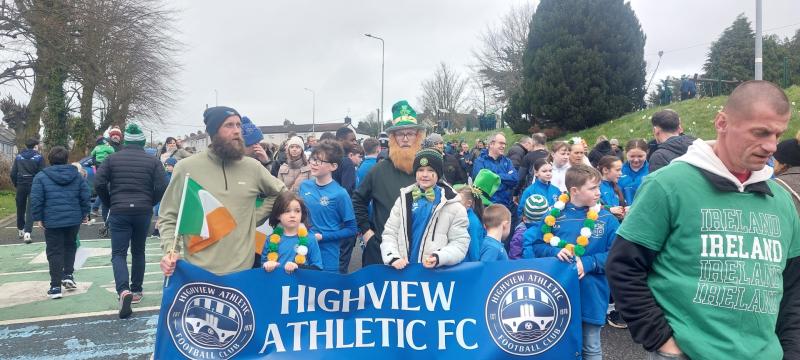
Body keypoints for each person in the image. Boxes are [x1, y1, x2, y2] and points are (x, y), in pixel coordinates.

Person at [606, 81, 800, 359]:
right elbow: (623, 266)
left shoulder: (780, 199)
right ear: (722, 123)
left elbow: (793, 288)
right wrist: (662, 341)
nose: (772, 146)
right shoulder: (667, 185)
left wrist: (791, 352)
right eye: (761, 132)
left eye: (778, 134)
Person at [158, 106, 287, 277]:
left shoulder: (252, 167)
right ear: (213, 132)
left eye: (238, 125)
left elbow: (281, 193)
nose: (237, 131)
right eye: (229, 125)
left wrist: (254, 217)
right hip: (198, 273)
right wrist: (170, 250)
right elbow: (169, 216)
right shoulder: (186, 168)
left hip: (242, 272)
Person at [524, 164, 620, 360]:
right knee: (560, 346)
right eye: (592, 188)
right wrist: (554, 251)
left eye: (598, 187)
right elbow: (537, 245)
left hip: (591, 294)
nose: (598, 192)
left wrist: (589, 263)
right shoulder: (553, 215)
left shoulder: (607, 219)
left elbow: (618, 255)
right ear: (574, 191)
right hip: (558, 296)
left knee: (591, 346)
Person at [95, 123, 168, 318]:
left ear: (125, 141)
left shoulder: (112, 158)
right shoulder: (152, 160)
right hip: (143, 210)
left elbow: (99, 183)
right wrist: (151, 201)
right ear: (142, 142)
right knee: (138, 251)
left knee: (118, 253)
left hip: (119, 209)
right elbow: (163, 185)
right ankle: (136, 290)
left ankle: (123, 290)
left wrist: (109, 202)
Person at [353, 100, 425, 267]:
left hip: (419, 252)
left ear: (417, 137)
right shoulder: (378, 170)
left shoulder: (428, 170)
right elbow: (357, 201)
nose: (405, 139)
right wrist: (366, 232)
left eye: (410, 133)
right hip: (381, 252)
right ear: (393, 138)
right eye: (400, 134)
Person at [380, 148, 469, 269]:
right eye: (420, 170)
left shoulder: (454, 206)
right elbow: (390, 233)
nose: (425, 175)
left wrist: (440, 257)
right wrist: (393, 257)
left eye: (430, 170)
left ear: (438, 173)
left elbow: (460, 243)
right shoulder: (403, 200)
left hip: (434, 274)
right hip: (404, 271)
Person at [30, 146, 91, 300]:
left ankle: (55, 286)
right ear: (66, 159)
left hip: (52, 219)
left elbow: (36, 199)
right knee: (70, 246)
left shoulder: (41, 176)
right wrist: (85, 213)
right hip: (73, 217)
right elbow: (85, 195)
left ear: (49, 159)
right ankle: (68, 274)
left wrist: (38, 217)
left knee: (54, 251)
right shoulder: (77, 176)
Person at [299, 140, 357, 273]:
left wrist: (323, 237)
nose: (314, 163)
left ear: (333, 166)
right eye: (313, 159)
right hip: (303, 251)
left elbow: (352, 229)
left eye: (319, 161)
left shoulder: (340, 194)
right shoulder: (304, 186)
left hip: (328, 255)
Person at [261, 192, 322, 273]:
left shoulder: (310, 239)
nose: (292, 215)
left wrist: (298, 267)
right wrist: (267, 266)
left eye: (297, 211)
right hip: (276, 281)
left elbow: (318, 268)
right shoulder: (270, 239)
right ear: (278, 215)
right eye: (287, 211)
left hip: (300, 281)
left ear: (302, 214)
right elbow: (262, 267)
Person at [456, 169, 500, 262]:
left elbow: (474, 251)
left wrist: (475, 264)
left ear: (469, 203)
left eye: (458, 202)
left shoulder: (472, 222)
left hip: (468, 264)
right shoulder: (468, 216)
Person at [471, 133, 519, 211]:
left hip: (506, 205)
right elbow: (481, 185)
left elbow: (515, 179)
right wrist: (506, 179)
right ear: (491, 144)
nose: (504, 146)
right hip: (488, 207)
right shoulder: (480, 161)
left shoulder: (507, 161)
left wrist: (495, 177)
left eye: (505, 144)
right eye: (501, 143)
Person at [11, 138, 44, 243]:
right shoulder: (39, 157)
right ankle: (27, 233)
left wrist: (16, 184)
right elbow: (42, 173)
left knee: (20, 207)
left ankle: (20, 229)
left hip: (21, 184)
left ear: (26, 146)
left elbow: (13, 173)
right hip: (33, 185)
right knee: (30, 209)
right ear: (35, 146)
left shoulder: (18, 157)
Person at [508, 195, 548, 260]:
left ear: (524, 218)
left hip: (526, 266)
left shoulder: (519, 235)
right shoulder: (550, 231)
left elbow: (514, 258)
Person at [617, 139, 649, 205]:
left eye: (640, 156)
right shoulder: (618, 171)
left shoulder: (652, 170)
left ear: (647, 153)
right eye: (632, 156)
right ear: (625, 154)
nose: (636, 160)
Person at [597, 155, 626, 220]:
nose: (621, 173)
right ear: (605, 170)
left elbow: (621, 205)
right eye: (618, 170)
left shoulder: (617, 187)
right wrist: (609, 209)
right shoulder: (596, 187)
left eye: (621, 170)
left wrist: (623, 211)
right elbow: (590, 207)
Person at [332, 127, 357, 194]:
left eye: (355, 140)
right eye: (352, 140)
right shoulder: (347, 162)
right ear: (340, 140)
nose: (355, 143)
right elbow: (347, 191)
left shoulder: (329, 157)